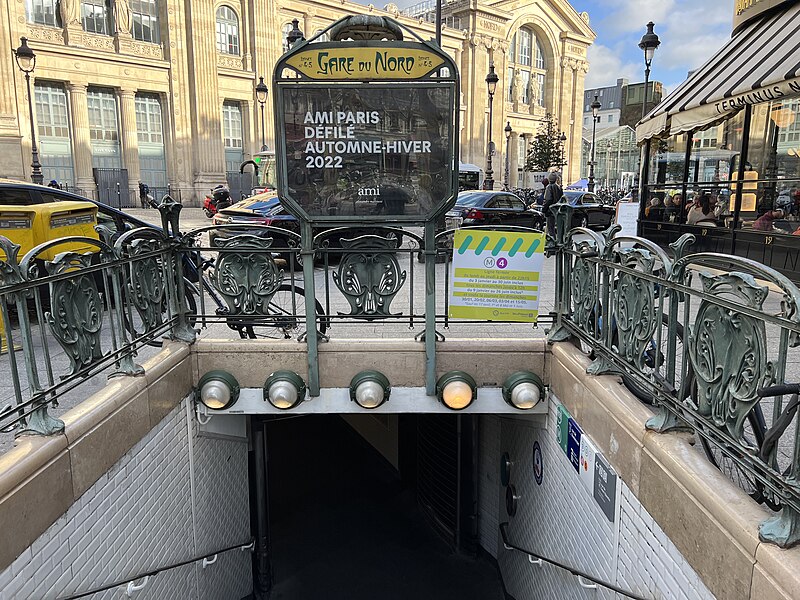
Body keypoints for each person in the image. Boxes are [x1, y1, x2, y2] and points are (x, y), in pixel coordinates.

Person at [542, 171, 563, 241]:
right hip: (557, 210)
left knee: (550, 228)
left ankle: (552, 242)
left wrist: (544, 209)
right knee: (555, 228)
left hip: (550, 210)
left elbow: (548, 199)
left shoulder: (549, 187)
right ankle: (557, 240)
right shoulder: (558, 187)